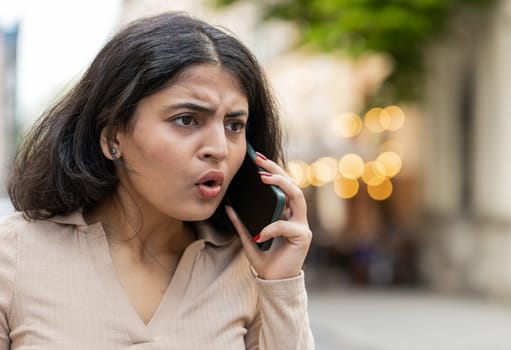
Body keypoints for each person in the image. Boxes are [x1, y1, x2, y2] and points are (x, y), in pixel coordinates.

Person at [0, 12, 314, 349]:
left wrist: (281, 284)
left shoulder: (248, 267)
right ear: (112, 138)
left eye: (234, 125)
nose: (219, 149)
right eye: (186, 119)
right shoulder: (16, 254)